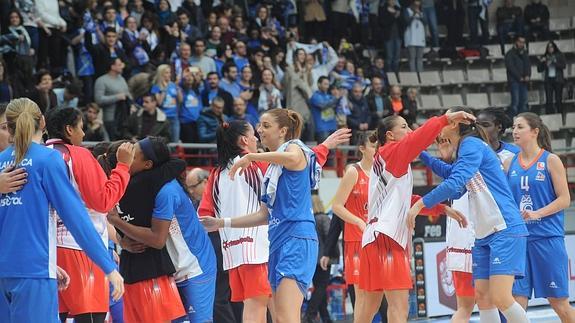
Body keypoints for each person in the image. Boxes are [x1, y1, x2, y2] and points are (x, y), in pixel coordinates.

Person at [201, 109, 349, 322]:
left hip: (292, 238)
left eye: (265, 126)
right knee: (278, 316)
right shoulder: (269, 168)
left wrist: (251, 155)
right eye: (258, 127)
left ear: (283, 131)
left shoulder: (291, 148)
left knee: (280, 314)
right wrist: (222, 222)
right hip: (272, 241)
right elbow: (263, 214)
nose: (259, 130)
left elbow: (296, 157)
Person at [0, 98, 123, 323]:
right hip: (34, 272)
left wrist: (52, 264)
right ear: (43, 122)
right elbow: (76, 218)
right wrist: (108, 267)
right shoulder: (47, 160)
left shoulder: (1, 162)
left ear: (8, 127)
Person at [410, 107, 530, 323]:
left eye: (443, 121)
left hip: (504, 227)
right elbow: (456, 183)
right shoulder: (465, 148)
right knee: (483, 298)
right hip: (484, 232)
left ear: (454, 124)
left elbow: (455, 181)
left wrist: (420, 203)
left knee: (501, 297)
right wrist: (423, 154)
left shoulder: (471, 145)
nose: (439, 127)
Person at [355, 111, 472, 323]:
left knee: (369, 307)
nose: (409, 131)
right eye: (404, 127)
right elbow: (418, 139)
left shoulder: (389, 160)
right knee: (399, 308)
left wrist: (441, 209)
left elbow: (406, 200)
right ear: (390, 135)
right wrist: (446, 119)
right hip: (387, 238)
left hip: (373, 239)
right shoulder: (393, 152)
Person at [107, 137, 217, 323]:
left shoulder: (166, 191)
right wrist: (123, 241)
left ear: (148, 164)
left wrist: (116, 221)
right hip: (169, 269)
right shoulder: (142, 185)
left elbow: (157, 239)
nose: (127, 158)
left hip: (194, 267)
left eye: (134, 155)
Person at [44, 107, 135, 323]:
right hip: (78, 245)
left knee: (55, 316)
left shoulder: (38, 153)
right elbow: (102, 201)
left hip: (46, 248)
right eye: (81, 128)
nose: (84, 135)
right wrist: (123, 167)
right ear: (69, 129)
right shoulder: (78, 154)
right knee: (91, 316)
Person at [101, 140, 186, 323]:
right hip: (137, 270)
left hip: (148, 268)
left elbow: (178, 164)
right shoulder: (122, 185)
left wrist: (117, 225)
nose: (130, 155)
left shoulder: (142, 183)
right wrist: (122, 241)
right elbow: (177, 164)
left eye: (134, 153)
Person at [507, 113, 575, 322]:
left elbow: (565, 199)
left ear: (534, 131)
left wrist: (537, 213)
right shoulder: (509, 163)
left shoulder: (551, 160)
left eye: (520, 127)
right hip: (519, 241)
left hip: (547, 239)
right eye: (513, 127)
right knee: (517, 305)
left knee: (559, 303)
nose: (514, 131)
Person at [331, 131, 390, 320]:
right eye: (373, 146)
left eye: (379, 146)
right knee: (362, 294)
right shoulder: (352, 172)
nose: (377, 150)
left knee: (377, 295)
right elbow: (336, 206)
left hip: (378, 239)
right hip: (356, 240)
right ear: (362, 149)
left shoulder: (383, 173)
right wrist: (357, 220)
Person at [303, 194, 332, 323]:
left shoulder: (308, 220)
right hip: (323, 259)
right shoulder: (324, 218)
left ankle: (325, 317)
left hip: (311, 259)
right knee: (321, 288)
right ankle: (309, 315)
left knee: (319, 288)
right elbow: (330, 237)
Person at [151, 64, 181, 143]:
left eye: (170, 72)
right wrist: (164, 89)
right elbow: (159, 103)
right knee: (164, 142)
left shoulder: (173, 85)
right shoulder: (156, 87)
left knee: (175, 141)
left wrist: (177, 87)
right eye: (167, 73)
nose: (169, 75)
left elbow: (180, 100)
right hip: (163, 118)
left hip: (174, 117)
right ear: (161, 74)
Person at [537, 41, 566, 116]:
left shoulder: (559, 55)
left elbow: (563, 66)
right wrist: (542, 62)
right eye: (549, 47)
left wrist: (554, 62)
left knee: (558, 99)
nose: (550, 48)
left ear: (554, 47)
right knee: (549, 100)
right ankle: (550, 116)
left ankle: (560, 115)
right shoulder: (545, 56)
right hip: (548, 80)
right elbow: (539, 69)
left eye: (551, 47)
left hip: (558, 80)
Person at [505, 35, 530, 116]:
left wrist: (528, 75)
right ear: (516, 42)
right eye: (520, 42)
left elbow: (528, 66)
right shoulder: (509, 53)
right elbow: (511, 67)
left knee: (524, 102)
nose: (522, 44)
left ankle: (523, 121)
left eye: (523, 42)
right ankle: (513, 122)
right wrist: (520, 77)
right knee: (515, 102)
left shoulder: (525, 53)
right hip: (514, 81)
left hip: (524, 82)